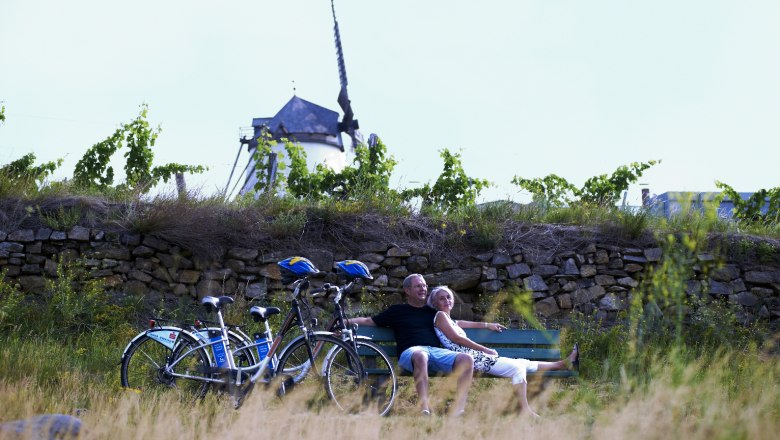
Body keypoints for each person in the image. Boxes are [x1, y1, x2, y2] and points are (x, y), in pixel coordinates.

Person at [427, 285, 579, 418]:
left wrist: (488, 325)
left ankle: (562, 364)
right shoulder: (440, 316)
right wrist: (485, 349)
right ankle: (525, 410)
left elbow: (462, 323)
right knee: (517, 368)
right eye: (441, 298)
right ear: (435, 303)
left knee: (522, 363)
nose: (447, 300)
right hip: (472, 359)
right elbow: (456, 339)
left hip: (476, 357)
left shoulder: (449, 319)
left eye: (448, 297)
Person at [347, 274, 474, 416]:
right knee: (421, 355)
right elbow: (369, 321)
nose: (423, 289)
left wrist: (488, 324)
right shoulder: (397, 311)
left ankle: (459, 409)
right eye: (418, 286)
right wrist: (345, 322)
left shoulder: (434, 313)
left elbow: (456, 323)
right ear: (407, 290)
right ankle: (424, 408)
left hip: (435, 353)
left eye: (424, 286)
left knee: (466, 359)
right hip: (411, 354)